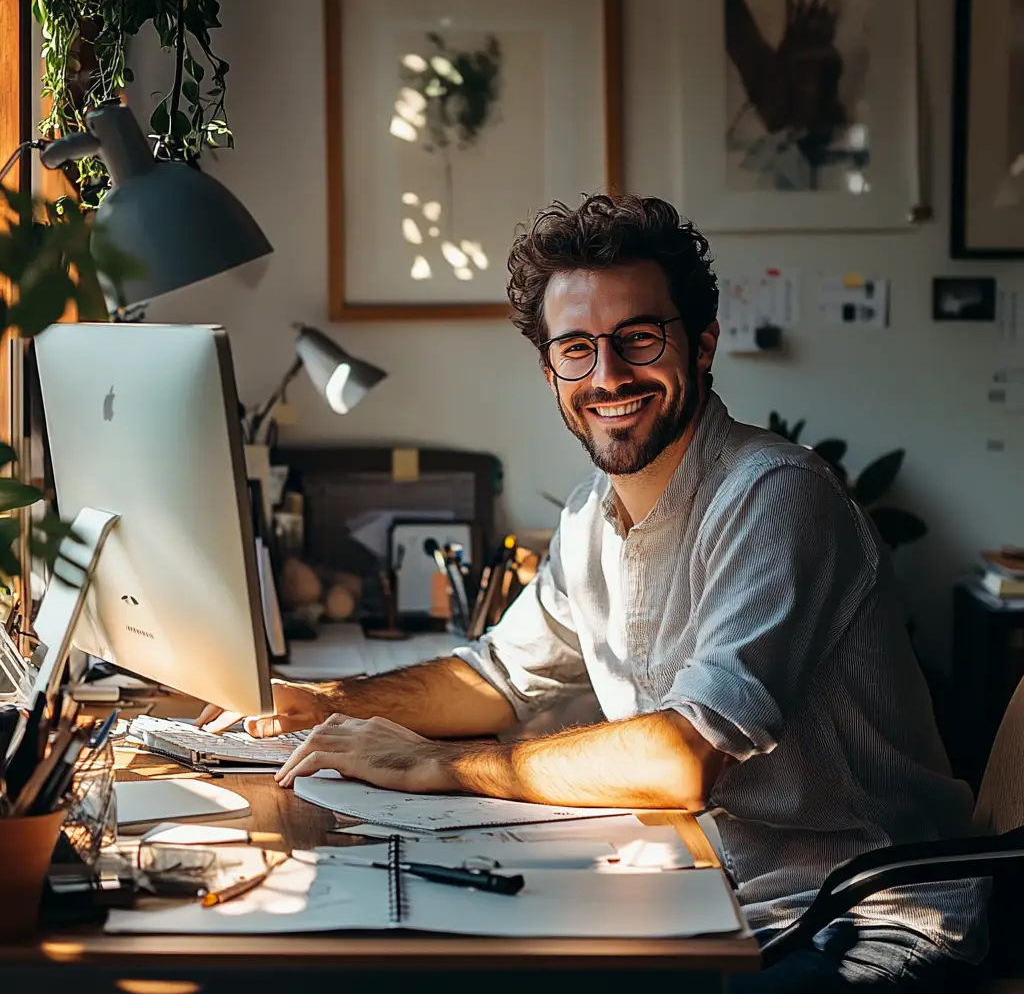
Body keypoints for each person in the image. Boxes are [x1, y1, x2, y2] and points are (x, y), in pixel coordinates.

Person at [198, 194, 985, 989]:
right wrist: (324, 701)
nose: (608, 374)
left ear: (703, 342)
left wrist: (439, 764)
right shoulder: (589, 518)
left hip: (853, 919)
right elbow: (495, 679)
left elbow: (682, 759)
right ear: (551, 372)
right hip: (707, 895)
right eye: (576, 348)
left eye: (638, 337)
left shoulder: (773, 495)